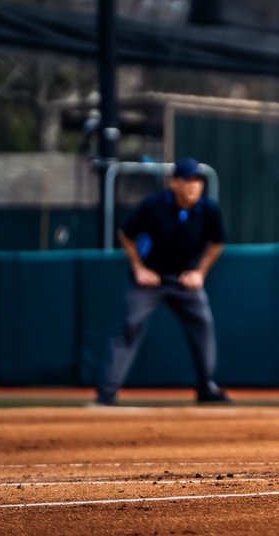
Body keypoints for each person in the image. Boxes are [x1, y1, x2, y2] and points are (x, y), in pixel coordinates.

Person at [96, 158, 231, 406]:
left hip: (183, 278)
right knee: (131, 324)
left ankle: (206, 387)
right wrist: (139, 268)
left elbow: (217, 242)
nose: (194, 186)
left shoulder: (208, 209)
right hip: (151, 279)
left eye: (198, 181)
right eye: (188, 180)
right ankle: (107, 392)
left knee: (203, 324)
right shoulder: (153, 206)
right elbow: (126, 233)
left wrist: (200, 272)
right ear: (174, 182)